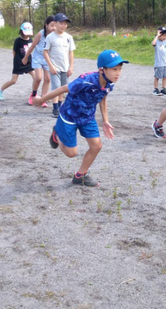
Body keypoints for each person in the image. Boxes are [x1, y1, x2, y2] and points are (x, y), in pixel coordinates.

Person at [33, 50, 129, 187]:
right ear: (102, 70)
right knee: (72, 153)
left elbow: (103, 98)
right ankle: (57, 135)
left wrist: (105, 121)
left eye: (120, 69)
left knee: (97, 146)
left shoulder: (110, 83)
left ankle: (80, 176)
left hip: (87, 117)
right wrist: (41, 99)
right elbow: (63, 89)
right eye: (114, 69)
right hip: (69, 116)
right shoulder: (87, 80)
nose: (118, 73)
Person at [44, 13, 76, 118]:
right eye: (61, 23)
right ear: (55, 23)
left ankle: (60, 106)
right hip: (54, 68)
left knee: (63, 88)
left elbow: (71, 52)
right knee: (56, 88)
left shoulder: (68, 37)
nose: (63, 26)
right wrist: (51, 66)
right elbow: (45, 52)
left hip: (65, 67)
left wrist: (71, 66)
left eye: (65, 24)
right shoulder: (50, 37)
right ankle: (55, 108)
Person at [0, 22, 36, 102]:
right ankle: (0, 90)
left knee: (36, 77)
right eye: (25, 33)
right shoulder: (18, 41)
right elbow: (14, 51)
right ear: (21, 32)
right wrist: (16, 60)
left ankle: (34, 94)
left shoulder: (31, 39)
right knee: (13, 80)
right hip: (18, 62)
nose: (27, 35)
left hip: (28, 62)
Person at [22, 16, 55, 107]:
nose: (54, 28)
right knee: (39, 77)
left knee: (48, 78)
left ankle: (43, 99)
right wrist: (25, 57)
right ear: (46, 25)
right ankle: (33, 95)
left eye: (55, 25)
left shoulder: (55, 35)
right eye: (52, 25)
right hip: (38, 57)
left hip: (48, 58)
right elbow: (32, 46)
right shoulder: (41, 34)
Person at [151, 26, 166, 96]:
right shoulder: (157, 42)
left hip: (165, 63)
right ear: (159, 35)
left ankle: (163, 89)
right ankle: (155, 89)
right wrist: (157, 36)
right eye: (163, 35)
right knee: (157, 77)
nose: (165, 37)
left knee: (165, 77)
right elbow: (153, 43)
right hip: (159, 64)